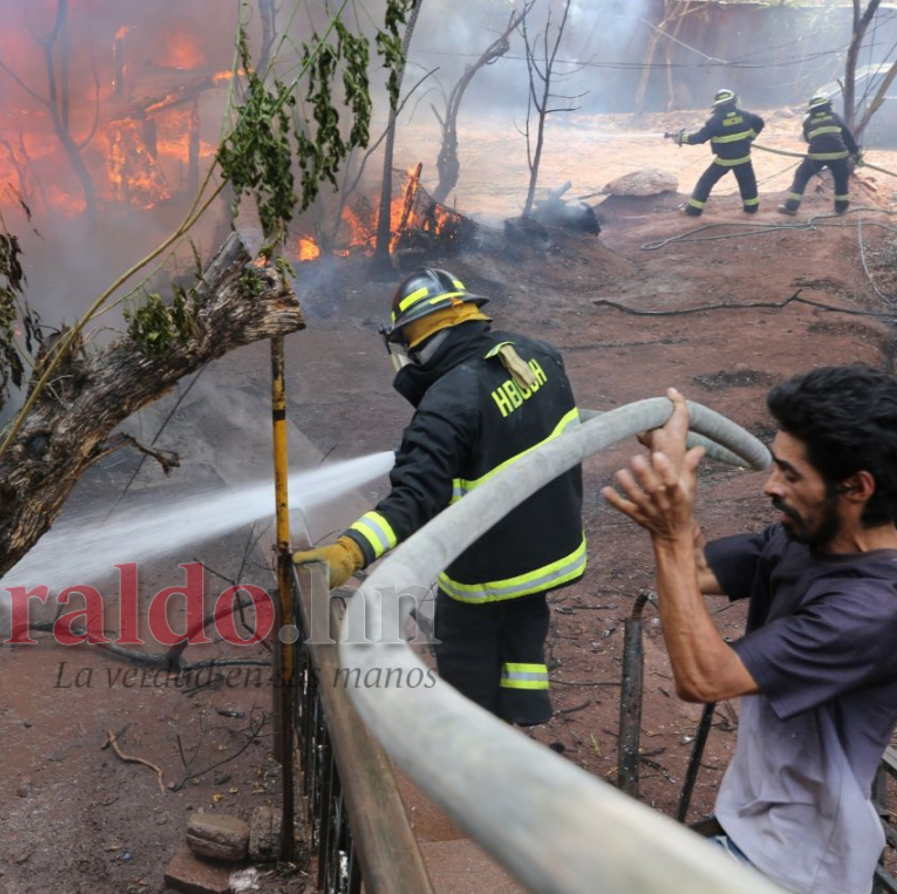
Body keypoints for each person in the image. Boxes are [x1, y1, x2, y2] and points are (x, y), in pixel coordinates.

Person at [603, 366, 897, 894]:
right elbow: (693, 573)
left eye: (789, 473)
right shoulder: (806, 537)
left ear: (856, 487)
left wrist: (671, 537)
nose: (770, 484)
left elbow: (706, 679)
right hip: (751, 817)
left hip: (799, 862)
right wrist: (672, 475)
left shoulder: (875, 607)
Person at [293, 267, 586, 726]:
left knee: (466, 676)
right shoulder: (535, 355)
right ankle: (524, 718)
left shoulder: (447, 404)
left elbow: (412, 500)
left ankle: (477, 754)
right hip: (550, 550)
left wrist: (347, 553)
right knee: (525, 631)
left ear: (417, 341)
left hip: (487, 572)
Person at [670, 89, 765, 217]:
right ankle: (751, 208)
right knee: (747, 182)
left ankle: (694, 210)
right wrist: (750, 137)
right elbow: (760, 122)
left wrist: (681, 138)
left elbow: (699, 138)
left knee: (706, 182)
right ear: (733, 101)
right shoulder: (745, 115)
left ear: (718, 105)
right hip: (743, 158)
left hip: (724, 160)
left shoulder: (714, 122)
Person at [778, 95, 862, 216]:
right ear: (828, 106)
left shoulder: (808, 121)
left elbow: (808, 138)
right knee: (841, 178)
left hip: (816, 156)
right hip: (839, 155)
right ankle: (841, 208)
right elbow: (848, 138)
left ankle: (791, 207)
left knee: (801, 175)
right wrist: (856, 154)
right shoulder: (836, 117)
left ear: (811, 109)